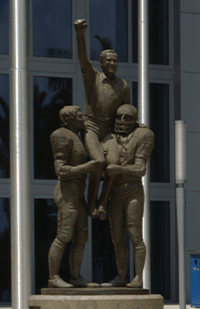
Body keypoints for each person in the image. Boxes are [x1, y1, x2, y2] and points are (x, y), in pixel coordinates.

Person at [74, 19, 131, 222]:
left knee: (113, 163)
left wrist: (135, 125)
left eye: (115, 61)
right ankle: (91, 201)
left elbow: (127, 110)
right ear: (101, 62)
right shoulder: (93, 77)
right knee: (98, 162)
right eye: (109, 61)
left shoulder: (123, 86)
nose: (112, 64)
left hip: (110, 132)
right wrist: (80, 35)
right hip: (91, 127)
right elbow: (82, 59)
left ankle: (102, 202)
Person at [101, 104, 153, 288]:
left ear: (134, 120)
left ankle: (138, 278)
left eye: (126, 118)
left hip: (132, 190)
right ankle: (121, 276)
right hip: (115, 191)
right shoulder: (110, 139)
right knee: (117, 237)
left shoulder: (143, 136)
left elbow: (140, 169)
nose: (121, 122)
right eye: (119, 117)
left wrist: (119, 169)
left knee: (135, 234)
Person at [47, 106, 98, 288]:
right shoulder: (60, 135)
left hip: (79, 193)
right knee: (64, 235)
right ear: (68, 120)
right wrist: (88, 167)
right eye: (78, 116)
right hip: (67, 191)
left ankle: (75, 277)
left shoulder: (78, 136)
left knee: (82, 237)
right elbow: (60, 170)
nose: (82, 118)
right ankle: (53, 277)